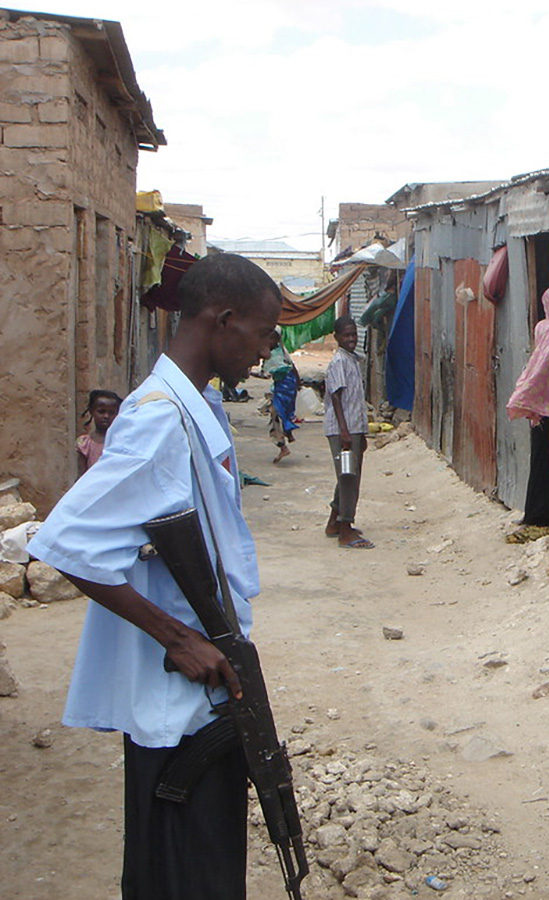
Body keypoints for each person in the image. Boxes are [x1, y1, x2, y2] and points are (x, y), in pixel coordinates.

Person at [27, 253, 283, 900]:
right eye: (262, 333)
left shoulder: (189, 406)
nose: (265, 350)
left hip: (201, 693)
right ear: (222, 321)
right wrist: (176, 637)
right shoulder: (160, 418)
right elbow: (69, 539)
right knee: (185, 876)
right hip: (177, 699)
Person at [506, 285, 549, 531]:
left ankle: (537, 515)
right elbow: (544, 363)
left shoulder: (543, 327)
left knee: (541, 462)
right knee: (548, 463)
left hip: (540, 407)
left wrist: (525, 394)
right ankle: (541, 516)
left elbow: (538, 364)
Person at [323, 314, 373, 549]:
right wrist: (344, 432)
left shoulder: (352, 359)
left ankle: (334, 522)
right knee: (348, 479)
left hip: (354, 428)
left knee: (347, 474)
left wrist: (360, 434)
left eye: (354, 334)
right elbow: (336, 396)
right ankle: (345, 530)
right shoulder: (339, 362)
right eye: (347, 335)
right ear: (337, 337)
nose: (351, 338)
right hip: (343, 429)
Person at [264, 332, 299, 463]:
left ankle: (282, 446)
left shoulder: (274, 354)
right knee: (284, 412)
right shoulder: (281, 351)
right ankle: (288, 434)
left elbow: (266, 373)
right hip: (288, 386)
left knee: (275, 414)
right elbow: (293, 367)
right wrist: (297, 383)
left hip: (284, 388)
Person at [76, 389, 122, 477]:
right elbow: (82, 475)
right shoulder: (85, 444)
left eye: (111, 413)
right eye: (101, 411)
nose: (106, 416)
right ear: (91, 412)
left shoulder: (121, 441)